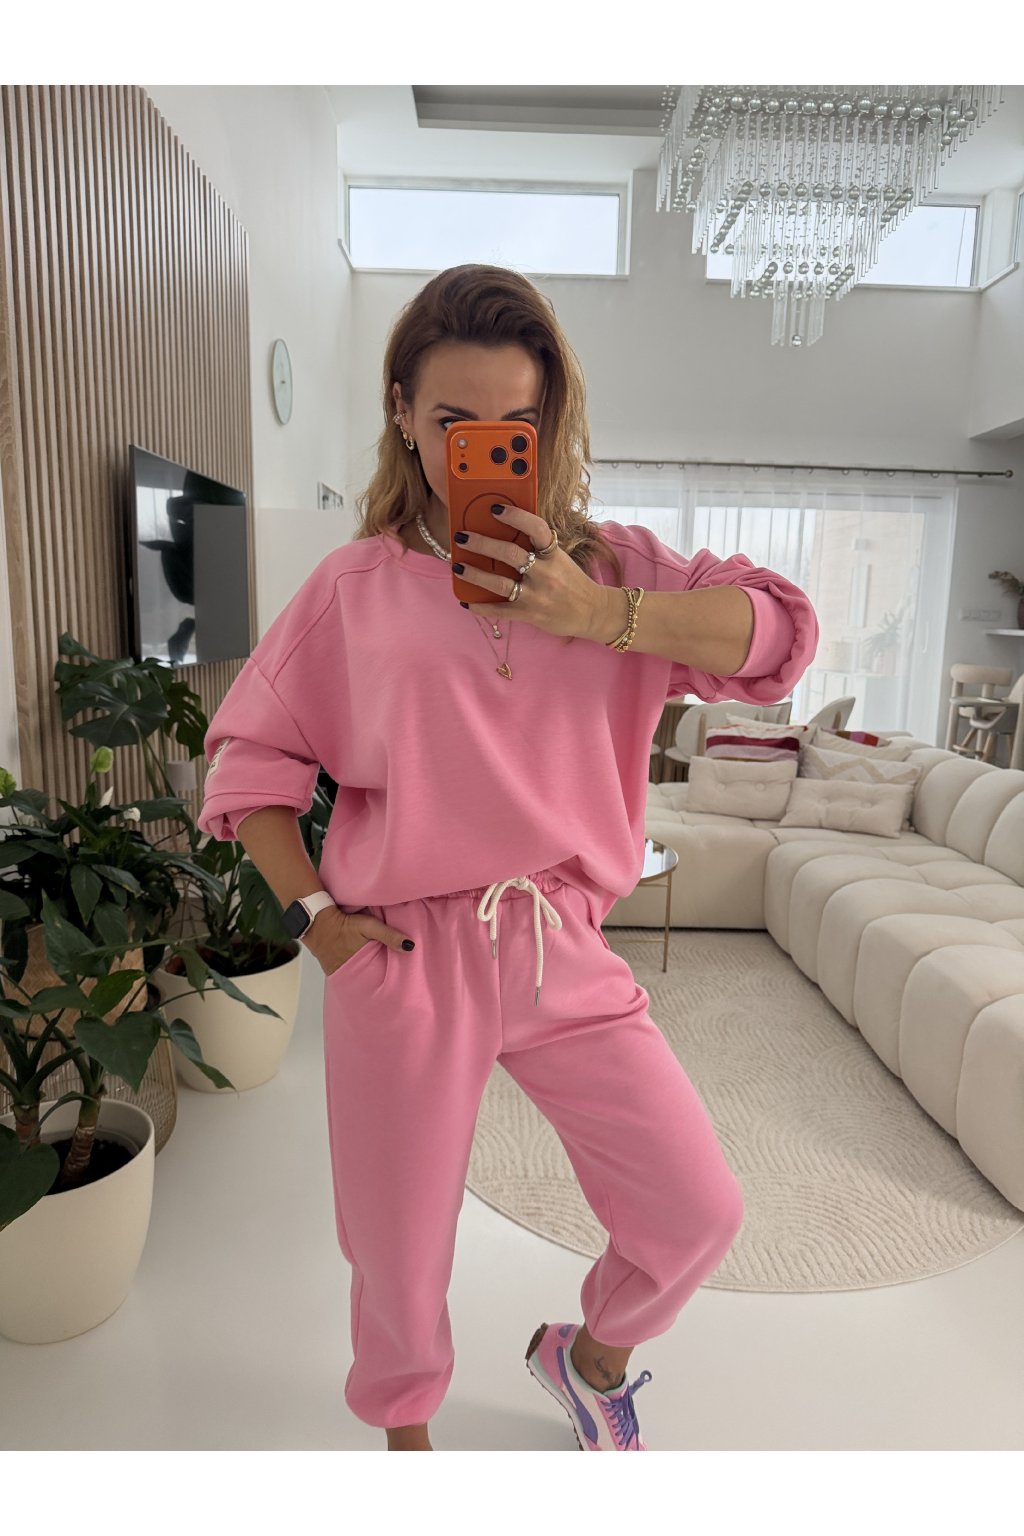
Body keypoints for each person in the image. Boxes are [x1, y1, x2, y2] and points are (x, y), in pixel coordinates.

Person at [196, 263, 819, 1452]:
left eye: (517, 426)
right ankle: (406, 1437)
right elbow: (250, 761)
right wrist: (317, 920)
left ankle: (589, 1360)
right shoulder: (353, 589)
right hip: (403, 952)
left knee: (694, 1208)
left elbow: (780, 632)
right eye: (455, 422)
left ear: (549, 422)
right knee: (395, 1242)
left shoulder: (616, 569)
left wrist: (597, 616)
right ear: (401, 414)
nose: (487, 448)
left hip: (559, 942)